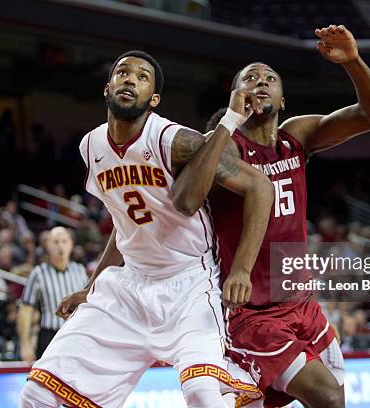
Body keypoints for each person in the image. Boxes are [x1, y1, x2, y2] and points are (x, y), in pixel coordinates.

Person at [21, 50, 273, 408]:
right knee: (39, 394)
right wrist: (91, 287)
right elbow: (124, 225)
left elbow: (261, 187)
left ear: (153, 100)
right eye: (123, 73)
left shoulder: (174, 140)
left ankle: (243, 392)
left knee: (203, 394)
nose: (130, 80)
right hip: (127, 288)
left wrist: (243, 269)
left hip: (189, 284)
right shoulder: (90, 146)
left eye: (142, 78)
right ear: (108, 87)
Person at [175, 25, 370, 407]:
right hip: (252, 312)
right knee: (328, 398)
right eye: (250, 79)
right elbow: (187, 196)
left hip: (302, 303)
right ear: (234, 97)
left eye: (269, 78)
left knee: (302, 399)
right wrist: (229, 120)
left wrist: (354, 62)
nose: (260, 82)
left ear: (283, 98)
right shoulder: (225, 148)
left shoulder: (297, 137)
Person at [18, 226, 87, 362]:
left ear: (71, 244)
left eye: (64, 241)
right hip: (49, 336)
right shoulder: (38, 273)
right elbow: (26, 310)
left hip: (75, 335)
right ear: (48, 245)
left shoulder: (80, 271)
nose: (60, 246)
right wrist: (25, 344)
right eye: (55, 242)